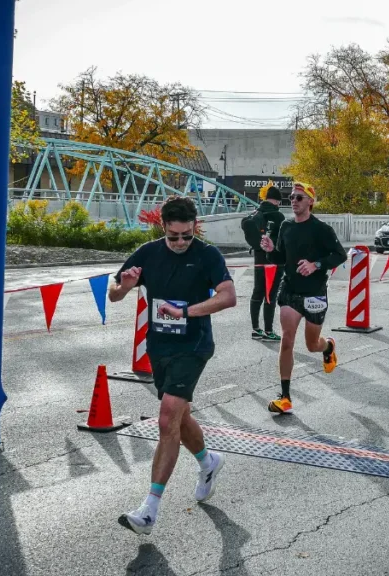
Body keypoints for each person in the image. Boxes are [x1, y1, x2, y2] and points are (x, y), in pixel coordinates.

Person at [108, 196, 236, 535]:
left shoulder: (207, 255)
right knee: (179, 416)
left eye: (187, 235)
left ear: (195, 227)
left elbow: (228, 296)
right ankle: (209, 462)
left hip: (194, 346)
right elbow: (114, 293)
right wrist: (126, 286)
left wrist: (187, 311)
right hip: (159, 347)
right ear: (162, 227)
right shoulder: (148, 253)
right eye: (173, 236)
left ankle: (149, 508)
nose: (180, 242)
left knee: (166, 419)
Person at [259, 181, 348, 414]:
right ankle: (285, 396)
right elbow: (279, 258)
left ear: (310, 201)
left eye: (299, 197)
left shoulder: (321, 229)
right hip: (289, 290)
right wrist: (270, 250)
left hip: (314, 293)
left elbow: (340, 255)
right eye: (291, 198)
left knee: (311, 345)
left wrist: (315, 264)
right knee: (287, 340)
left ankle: (327, 346)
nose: (294, 201)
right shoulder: (286, 227)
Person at [248, 186, 286, 341]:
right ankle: (269, 331)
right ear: (277, 201)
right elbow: (282, 241)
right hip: (273, 260)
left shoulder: (254, 214)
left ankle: (256, 329)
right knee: (270, 294)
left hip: (258, 259)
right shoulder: (278, 216)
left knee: (257, 292)